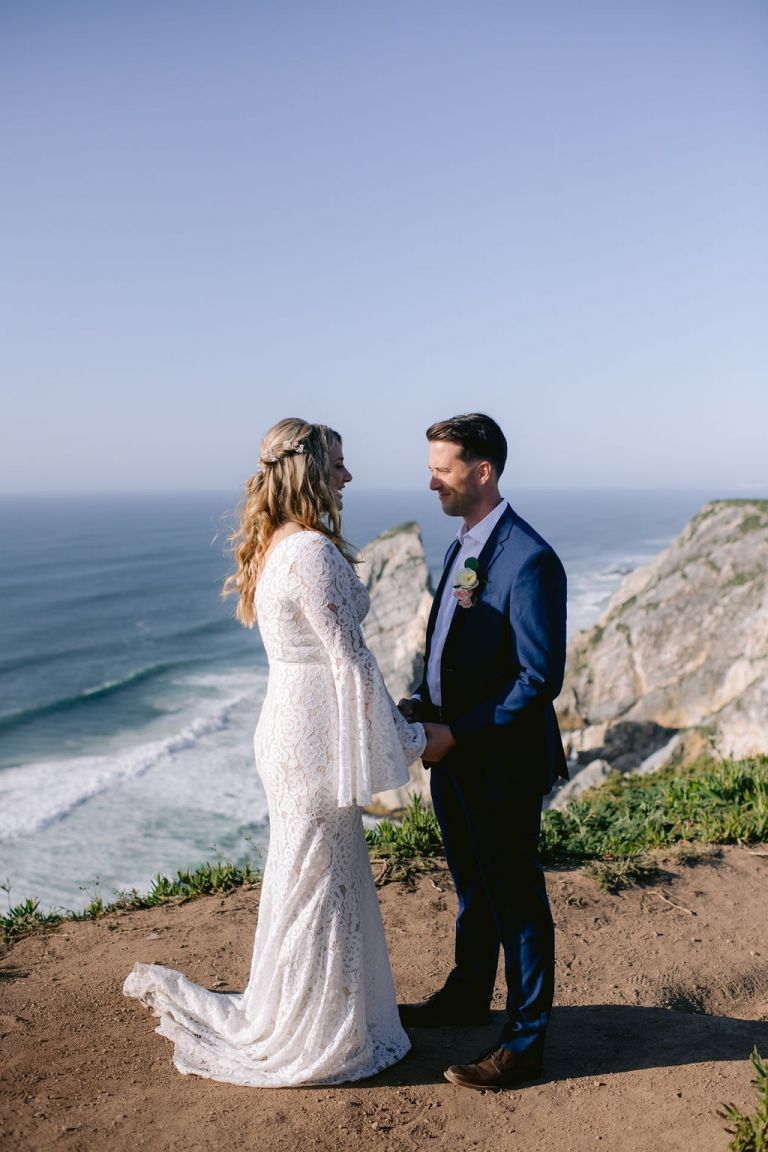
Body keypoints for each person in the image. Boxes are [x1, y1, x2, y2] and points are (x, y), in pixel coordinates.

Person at [124, 418, 427, 1086]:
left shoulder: (280, 544)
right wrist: (412, 739)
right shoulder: (313, 554)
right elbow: (351, 665)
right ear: (310, 470)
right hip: (309, 741)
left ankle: (327, 1015)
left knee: (313, 877)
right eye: (340, 464)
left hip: (295, 728)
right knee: (319, 882)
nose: (348, 476)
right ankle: (314, 1031)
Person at [399, 412, 567, 1091]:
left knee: (516, 900)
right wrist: (421, 701)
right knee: (473, 890)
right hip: (453, 752)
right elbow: (448, 639)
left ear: (482, 470)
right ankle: (468, 996)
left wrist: (458, 732)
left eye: (441, 468)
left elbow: (537, 678)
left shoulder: (529, 559)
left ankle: (525, 1045)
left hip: (498, 760)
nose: (430, 480)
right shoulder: (464, 545)